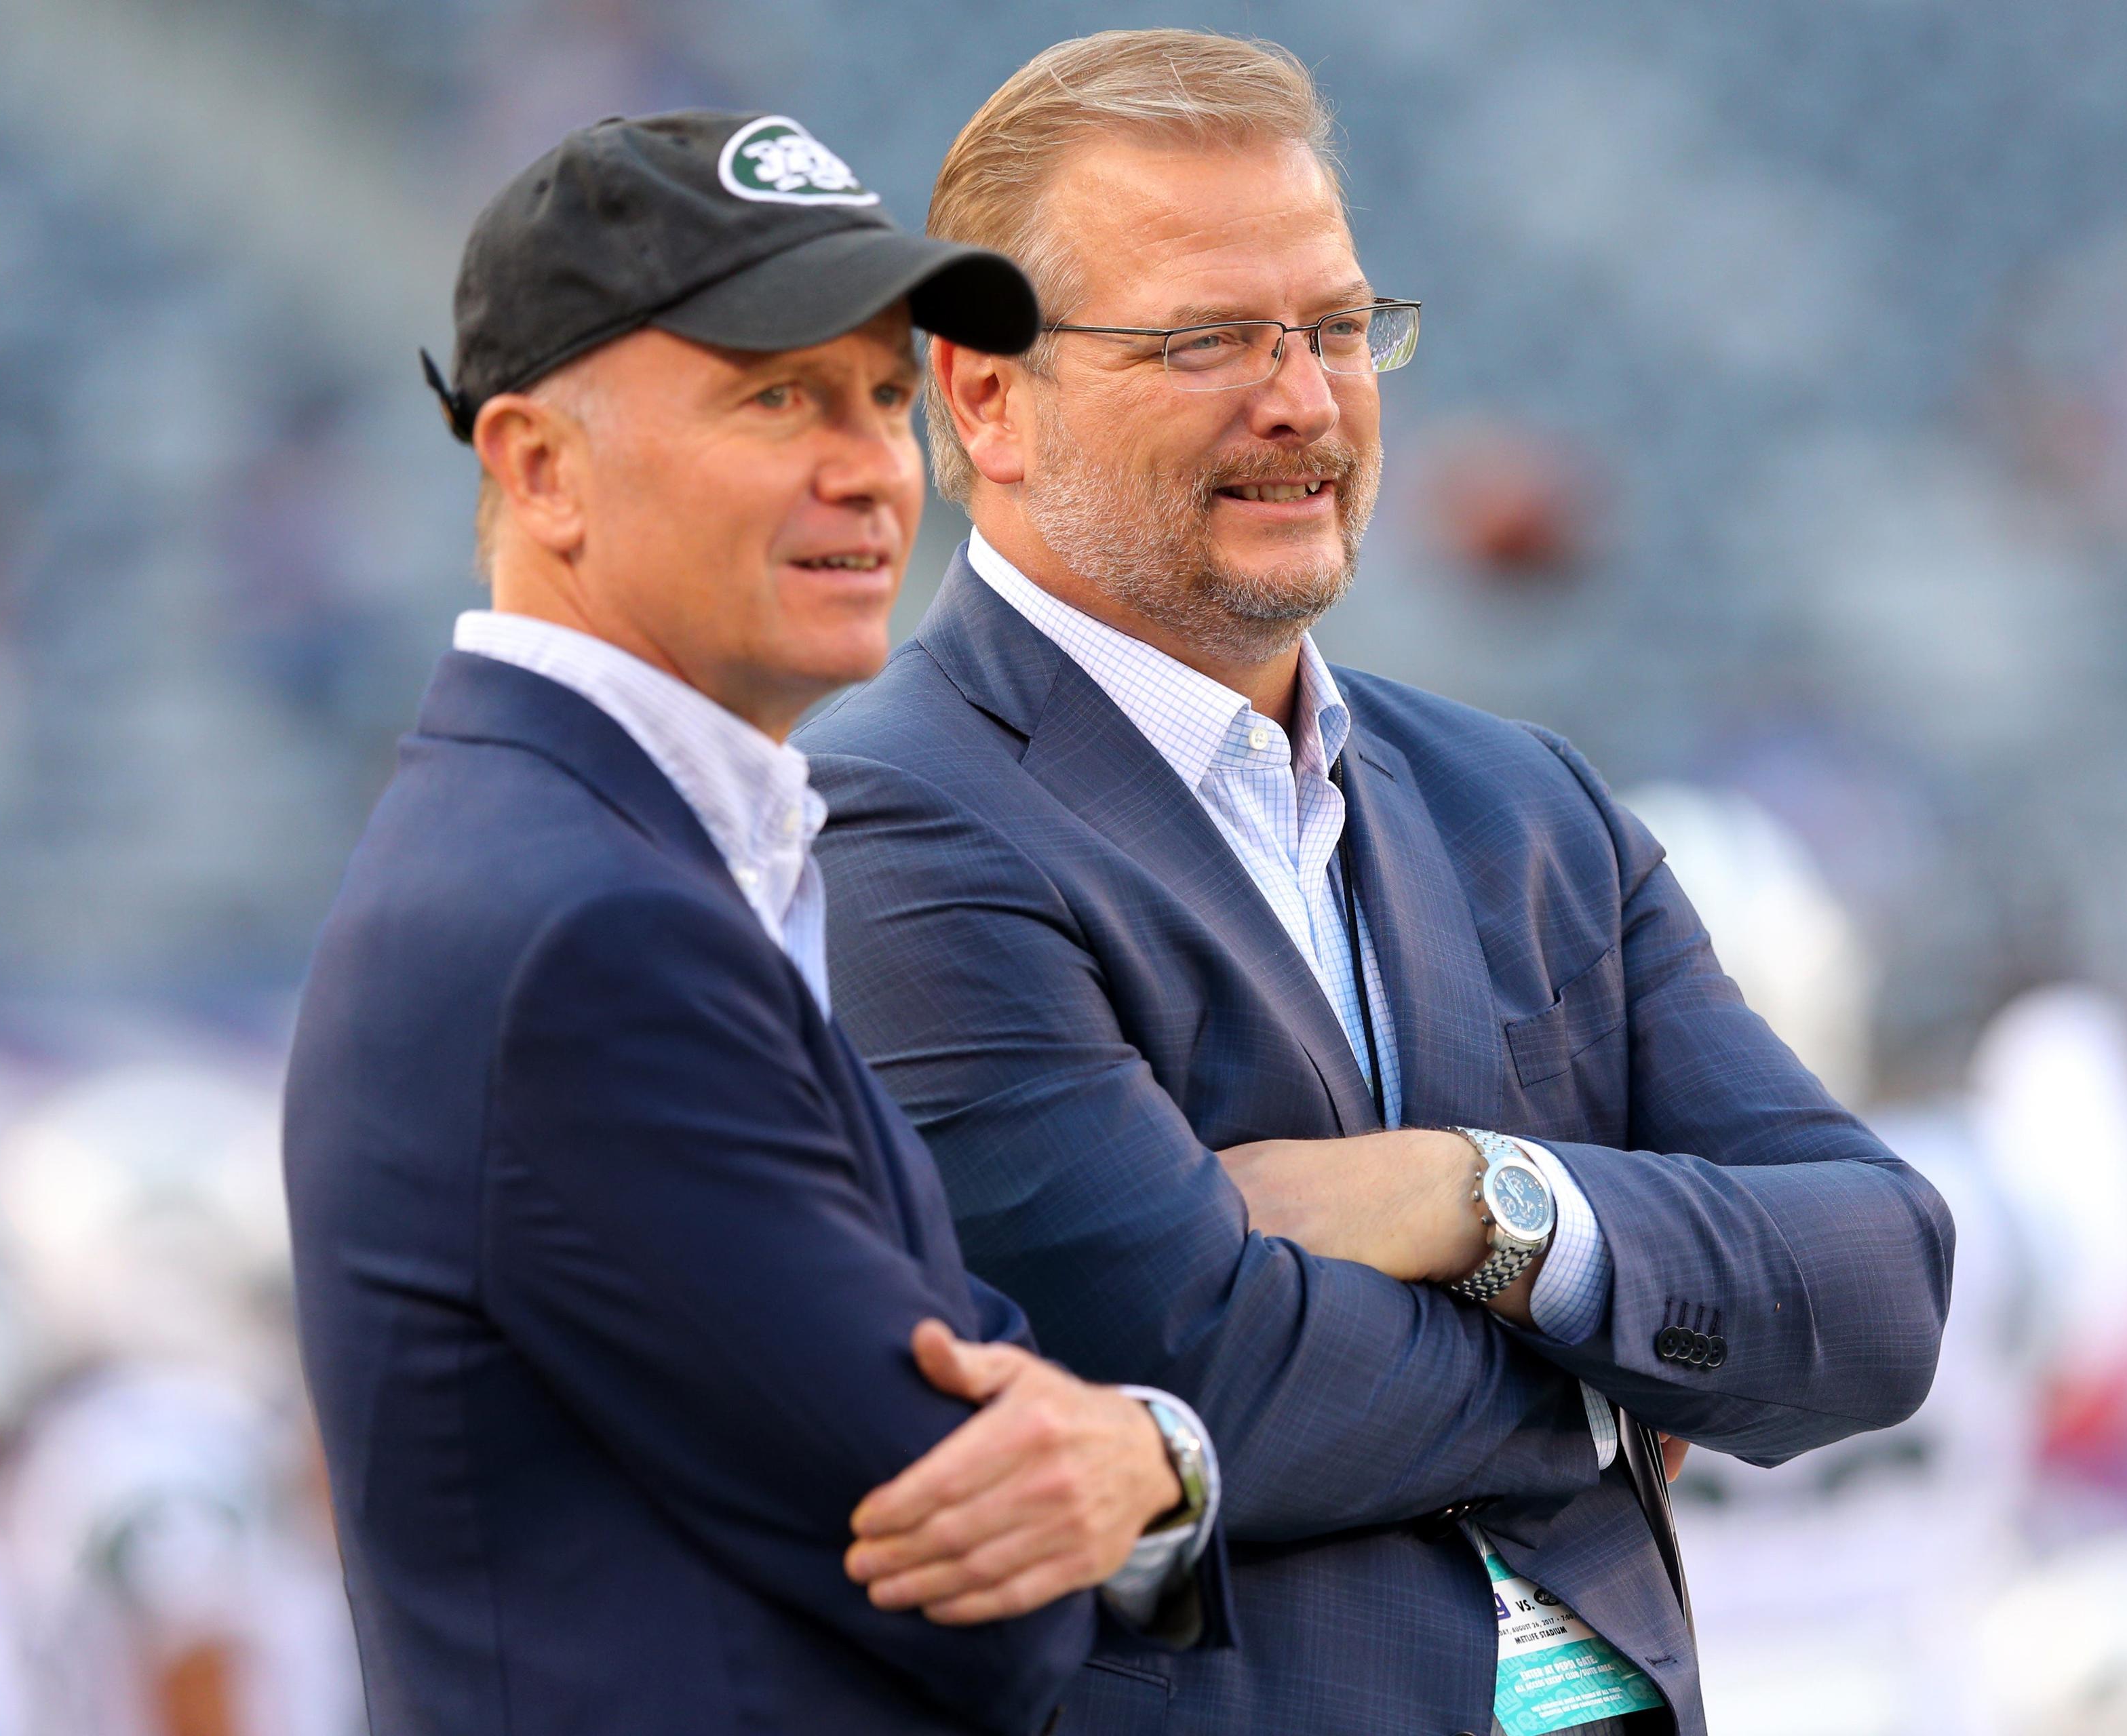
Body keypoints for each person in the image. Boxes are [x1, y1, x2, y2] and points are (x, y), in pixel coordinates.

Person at [798, 31, 1953, 1736]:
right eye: (1206, 340)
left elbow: (1882, 1282)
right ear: (983, 392)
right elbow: (1208, 1381)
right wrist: (1619, 1380)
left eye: (1337, 328)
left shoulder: (1524, 800)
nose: (1304, 399)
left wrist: (1482, 1201)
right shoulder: (889, 817)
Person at [283, 111, 1226, 1736]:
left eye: (878, 391)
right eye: (774, 393)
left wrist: (1127, 1454)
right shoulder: (579, 927)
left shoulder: (589, 857)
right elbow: (978, 1581)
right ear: (536, 466)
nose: (870, 462)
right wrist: (1163, 1452)